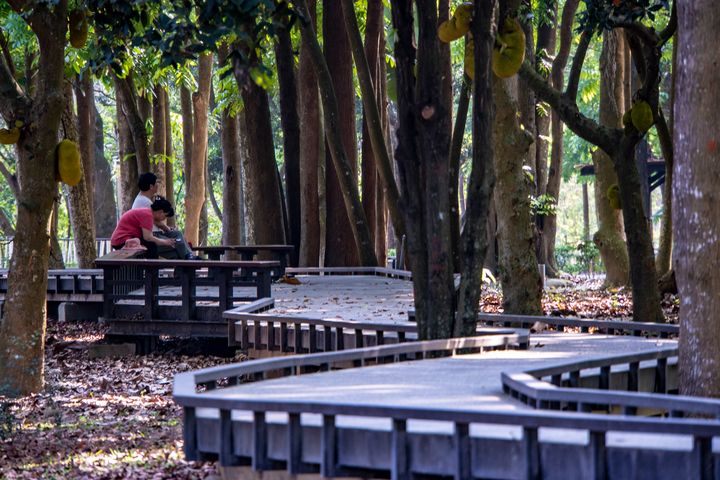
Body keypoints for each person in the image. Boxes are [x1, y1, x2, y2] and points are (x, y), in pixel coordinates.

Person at [132, 172, 199, 259]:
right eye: (156, 183)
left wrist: (167, 229)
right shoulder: (143, 202)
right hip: (150, 236)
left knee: (177, 240)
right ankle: (189, 258)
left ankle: (188, 258)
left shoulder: (144, 199)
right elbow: (154, 220)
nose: (157, 185)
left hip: (154, 234)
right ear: (151, 186)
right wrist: (167, 229)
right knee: (177, 243)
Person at [111, 198, 196, 259]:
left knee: (177, 234)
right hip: (122, 240)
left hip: (133, 237)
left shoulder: (148, 212)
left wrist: (168, 229)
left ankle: (186, 257)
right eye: (165, 216)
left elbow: (158, 223)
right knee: (155, 246)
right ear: (160, 212)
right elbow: (148, 237)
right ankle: (187, 258)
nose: (164, 219)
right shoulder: (147, 215)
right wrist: (165, 242)